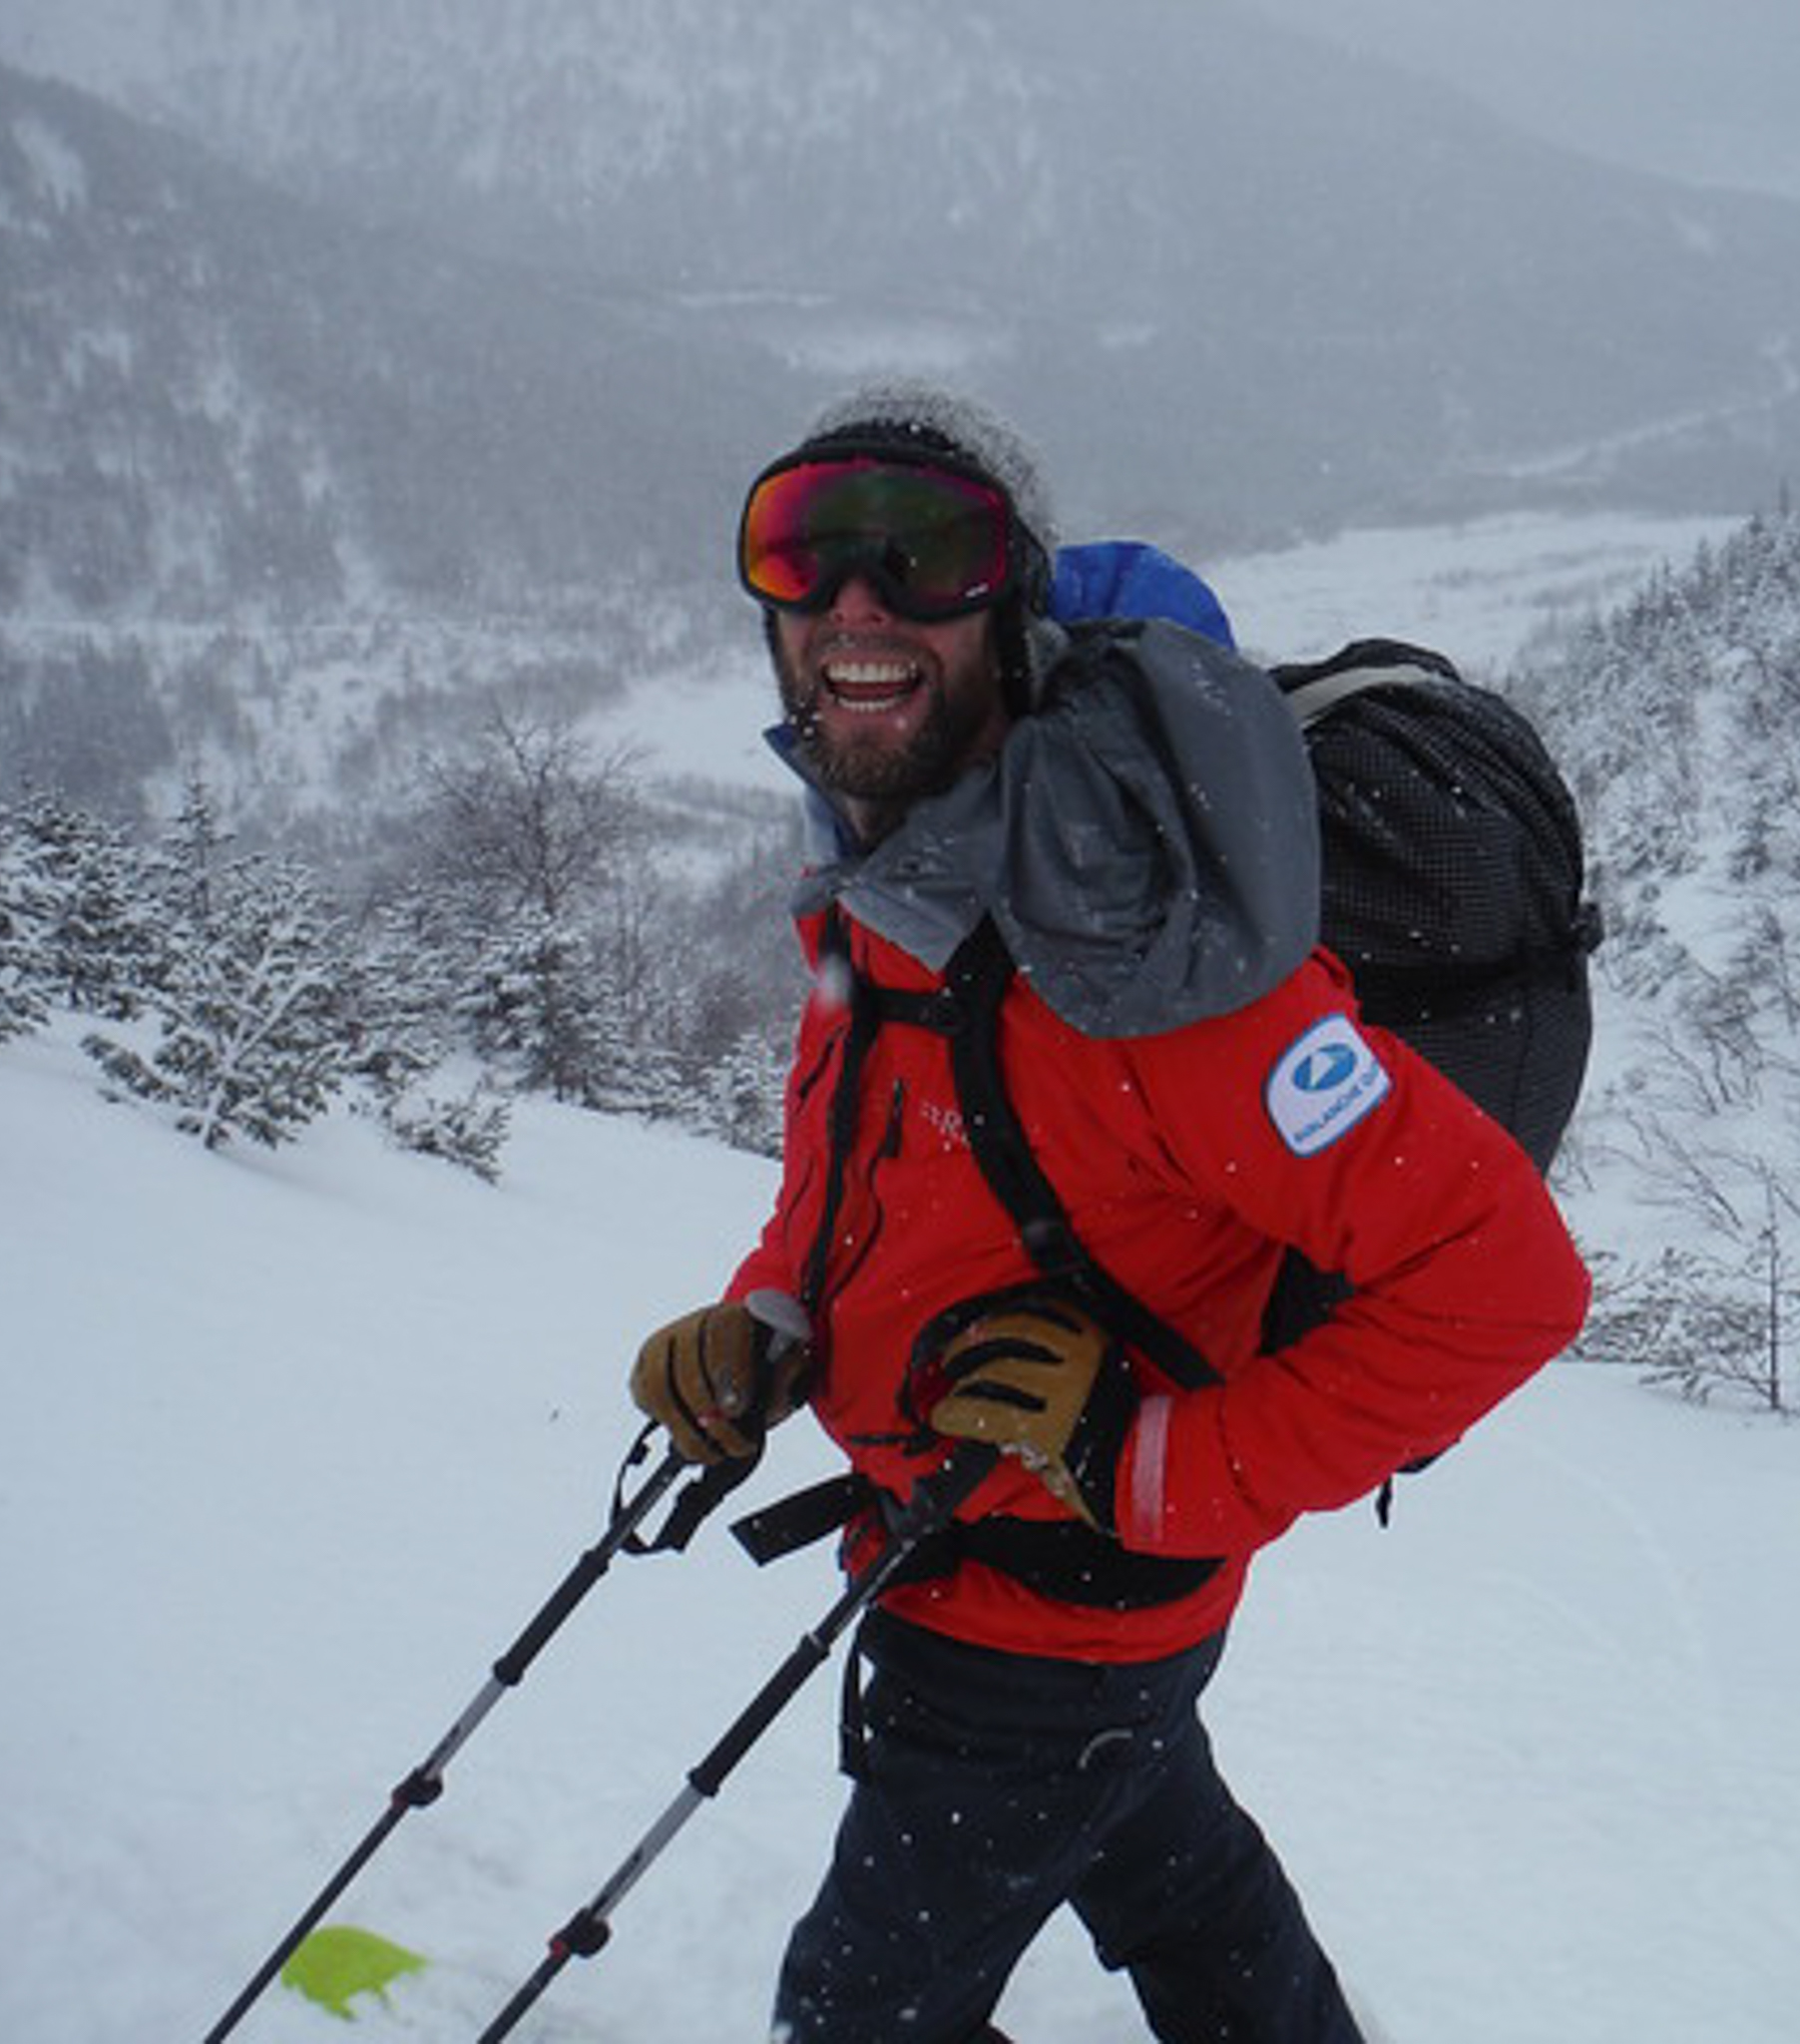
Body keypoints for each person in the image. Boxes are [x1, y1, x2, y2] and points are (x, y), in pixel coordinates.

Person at [630, 379, 1590, 2044]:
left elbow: (1505, 1284)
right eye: (805, 547)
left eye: (929, 549)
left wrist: (1153, 1469)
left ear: (1014, 612)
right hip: (990, 1573)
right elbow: (863, 1172)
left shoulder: (1168, 986)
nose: (859, 600)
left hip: (1048, 1621)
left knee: (860, 2011)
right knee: (1171, 1866)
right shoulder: (888, 888)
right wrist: (776, 1317)